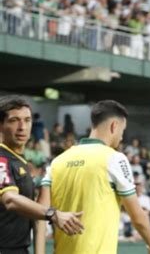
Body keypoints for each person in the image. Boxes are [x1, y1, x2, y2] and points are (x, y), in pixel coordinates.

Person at [36, 100, 150, 254]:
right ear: (114, 126)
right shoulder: (114, 158)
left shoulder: (57, 162)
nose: (121, 137)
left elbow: (41, 213)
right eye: (122, 130)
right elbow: (137, 217)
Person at [0, 95, 83, 254]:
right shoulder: (1, 158)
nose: (22, 127)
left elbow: (33, 214)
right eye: (14, 120)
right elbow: (10, 199)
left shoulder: (19, 161)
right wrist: (53, 214)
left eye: (27, 120)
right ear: (1, 125)